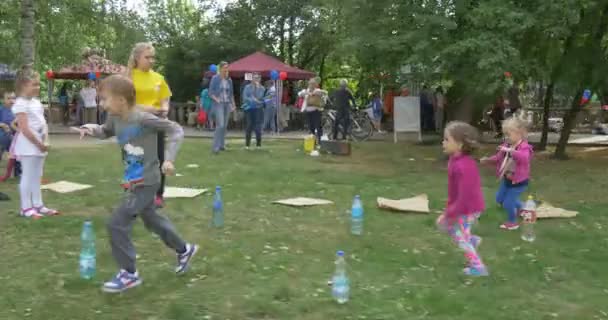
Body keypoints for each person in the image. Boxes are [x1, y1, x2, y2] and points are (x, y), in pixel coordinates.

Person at [75, 74, 198, 293]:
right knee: (152, 220)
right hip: (132, 180)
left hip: (147, 181)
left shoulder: (142, 119)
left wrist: (169, 158)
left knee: (117, 223)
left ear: (121, 100)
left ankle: (129, 273)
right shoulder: (115, 118)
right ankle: (184, 249)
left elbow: (176, 129)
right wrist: (91, 129)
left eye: (105, 99)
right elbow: (105, 131)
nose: (101, 104)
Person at [436, 121, 488, 276]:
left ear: (459, 144)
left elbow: (465, 197)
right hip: (462, 206)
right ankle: (472, 240)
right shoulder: (454, 160)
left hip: (468, 208)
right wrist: (449, 208)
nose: (443, 142)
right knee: (454, 230)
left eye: (447, 139)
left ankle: (478, 267)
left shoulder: (464, 166)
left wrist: (449, 214)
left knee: (459, 237)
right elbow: (455, 191)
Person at [126, 42, 172, 207]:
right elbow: (126, 103)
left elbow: (165, 97)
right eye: (147, 57)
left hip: (156, 123)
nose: (151, 60)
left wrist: (164, 108)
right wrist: (148, 109)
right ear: (137, 58)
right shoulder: (129, 77)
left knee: (158, 159)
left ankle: (158, 194)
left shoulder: (158, 78)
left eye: (153, 57)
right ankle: (136, 193)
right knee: (136, 158)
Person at [11, 66, 58, 219]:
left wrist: (46, 139)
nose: (38, 87)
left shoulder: (36, 102)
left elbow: (42, 122)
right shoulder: (20, 103)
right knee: (28, 175)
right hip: (28, 145)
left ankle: (38, 204)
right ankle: (26, 208)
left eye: (38, 84)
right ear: (24, 85)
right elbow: (24, 128)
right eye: (35, 84)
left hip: (40, 143)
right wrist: (38, 144)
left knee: (37, 176)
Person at [481, 117, 533, 230]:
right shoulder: (507, 145)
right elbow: (498, 158)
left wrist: (512, 152)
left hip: (519, 182)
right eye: (505, 134)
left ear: (519, 133)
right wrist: (488, 160)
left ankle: (512, 222)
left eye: (509, 134)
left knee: (508, 203)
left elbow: (524, 158)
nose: (506, 137)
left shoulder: (525, 147)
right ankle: (522, 208)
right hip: (507, 179)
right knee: (499, 199)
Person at [208, 61, 236, 154]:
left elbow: (231, 94)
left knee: (225, 126)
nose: (226, 69)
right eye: (225, 67)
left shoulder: (229, 80)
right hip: (218, 104)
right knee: (220, 125)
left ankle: (222, 145)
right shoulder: (215, 78)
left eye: (227, 67)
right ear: (220, 69)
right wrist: (217, 99)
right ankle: (215, 148)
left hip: (227, 104)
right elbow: (210, 93)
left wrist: (233, 105)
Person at [0, 91, 21, 180]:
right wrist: (2, 125)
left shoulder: (17, 110)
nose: (11, 100)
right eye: (8, 98)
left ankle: (18, 173)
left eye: (13, 98)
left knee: (18, 151)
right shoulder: (1, 109)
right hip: (2, 136)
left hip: (14, 136)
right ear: (3, 100)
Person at [299, 78, 326, 144]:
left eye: (313, 84)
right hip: (308, 112)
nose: (311, 85)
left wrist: (316, 93)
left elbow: (325, 93)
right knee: (311, 127)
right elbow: (299, 94)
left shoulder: (318, 90)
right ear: (309, 84)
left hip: (316, 111)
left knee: (318, 126)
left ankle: (320, 141)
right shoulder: (306, 90)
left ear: (315, 85)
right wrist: (306, 93)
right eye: (310, 84)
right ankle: (312, 142)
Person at [242, 73, 265, 149]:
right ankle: (247, 145)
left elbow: (261, 98)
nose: (255, 80)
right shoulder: (247, 87)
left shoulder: (262, 88)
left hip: (258, 109)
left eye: (257, 78)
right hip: (249, 109)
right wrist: (252, 99)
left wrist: (258, 88)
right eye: (254, 78)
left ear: (260, 79)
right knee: (249, 125)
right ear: (251, 79)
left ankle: (258, 145)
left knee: (258, 127)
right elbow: (245, 97)